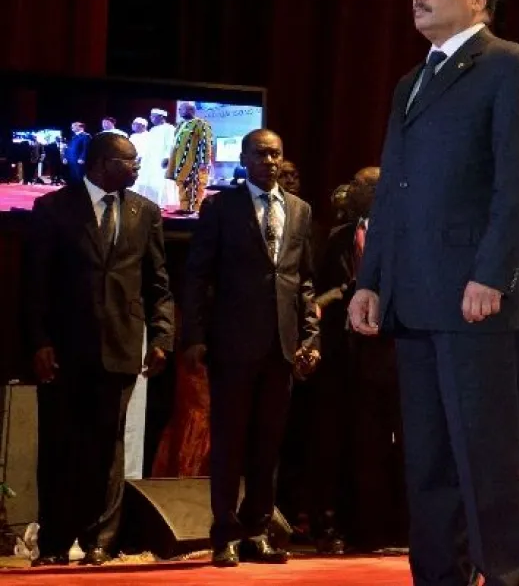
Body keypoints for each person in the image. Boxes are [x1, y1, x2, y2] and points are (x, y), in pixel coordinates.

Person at [348, 0, 519, 586]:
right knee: (428, 461)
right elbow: (392, 194)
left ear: (479, 1)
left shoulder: (511, 67)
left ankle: (503, 576)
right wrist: (371, 280)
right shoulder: (411, 82)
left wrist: (491, 274)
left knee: (485, 459)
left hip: (476, 299)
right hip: (413, 297)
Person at [22, 132, 173, 567]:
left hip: (122, 346)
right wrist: (39, 341)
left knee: (108, 450)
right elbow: (34, 285)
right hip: (65, 351)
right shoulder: (52, 208)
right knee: (60, 446)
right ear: (105, 163)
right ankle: (53, 544)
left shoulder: (145, 212)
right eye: (132, 160)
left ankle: (100, 541)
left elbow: (158, 284)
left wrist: (162, 338)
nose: (139, 167)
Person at [182, 129, 320, 567]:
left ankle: (257, 531)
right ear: (243, 158)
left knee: (267, 445)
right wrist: (196, 337)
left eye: (276, 154)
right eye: (260, 154)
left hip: (281, 347)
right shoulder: (221, 206)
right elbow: (198, 277)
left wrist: (310, 337)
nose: (270, 161)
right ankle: (224, 534)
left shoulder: (299, 210)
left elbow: (305, 282)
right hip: (232, 344)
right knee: (229, 444)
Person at [306, 167, 405, 554]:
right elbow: (322, 287)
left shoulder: (402, 232)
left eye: (362, 186)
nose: (351, 190)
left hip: (393, 352)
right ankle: (361, 530)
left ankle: (400, 527)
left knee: (397, 442)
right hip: (348, 359)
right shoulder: (340, 237)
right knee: (356, 445)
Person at [167, 102, 214, 213]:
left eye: (181, 109)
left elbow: (206, 142)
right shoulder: (180, 125)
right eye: (178, 109)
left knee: (195, 184)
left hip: (194, 162)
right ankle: (185, 208)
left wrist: (205, 161)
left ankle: (195, 210)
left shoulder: (201, 124)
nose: (179, 111)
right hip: (180, 162)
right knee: (182, 183)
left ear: (191, 110)